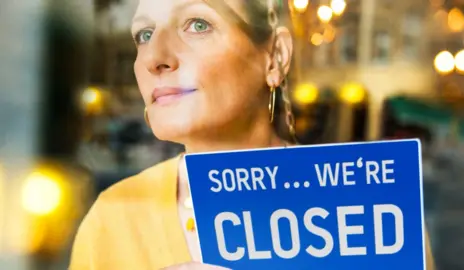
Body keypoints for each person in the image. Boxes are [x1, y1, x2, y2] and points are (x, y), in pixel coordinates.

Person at [69, 0, 436, 269]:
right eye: (144, 34)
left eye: (197, 24)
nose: (155, 57)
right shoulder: (113, 217)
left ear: (275, 57)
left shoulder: (377, 213)